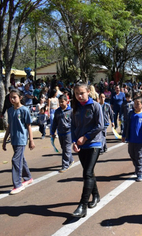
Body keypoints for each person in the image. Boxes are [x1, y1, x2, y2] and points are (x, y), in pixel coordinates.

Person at [71, 83, 104, 217]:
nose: (79, 96)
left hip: (93, 143)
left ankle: (82, 205)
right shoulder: (75, 107)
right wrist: (74, 141)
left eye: (82, 93)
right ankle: (95, 195)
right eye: (77, 93)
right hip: (81, 144)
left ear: (88, 92)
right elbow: (73, 126)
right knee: (88, 172)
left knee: (87, 173)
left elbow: (100, 125)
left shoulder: (95, 106)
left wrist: (86, 137)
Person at [2, 89, 35, 195]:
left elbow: (28, 125)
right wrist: (4, 140)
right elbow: (9, 126)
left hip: (21, 139)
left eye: (14, 97)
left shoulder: (24, 110)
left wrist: (31, 140)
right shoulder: (10, 111)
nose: (12, 99)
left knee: (15, 160)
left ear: (20, 98)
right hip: (14, 139)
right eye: (10, 97)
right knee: (21, 159)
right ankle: (28, 177)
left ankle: (17, 184)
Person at [122, 96, 142, 182]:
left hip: (141, 140)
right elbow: (126, 125)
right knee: (131, 154)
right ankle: (137, 168)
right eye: (134, 103)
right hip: (131, 139)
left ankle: (139, 173)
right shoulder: (130, 114)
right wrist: (124, 135)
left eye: (137, 104)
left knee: (139, 156)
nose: (135, 105)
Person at [51, 95, 74, 173]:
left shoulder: (71, 111)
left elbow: (75, 123)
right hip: (60, 132)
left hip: (69, 132)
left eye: (62, 101)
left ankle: (65, 165)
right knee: (63, 148)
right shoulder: (57, 111)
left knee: (67, 148)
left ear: (66, 101)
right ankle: (70, 160)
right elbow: (55, 122)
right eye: (59, 102)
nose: (60, 103)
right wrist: (52, 131)